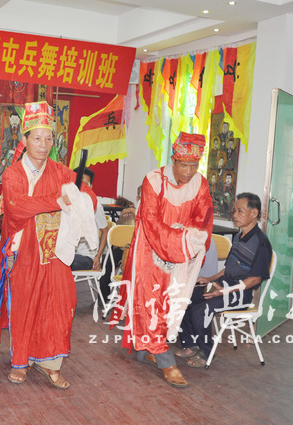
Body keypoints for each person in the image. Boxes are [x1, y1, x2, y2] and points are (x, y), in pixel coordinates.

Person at [0, 101, 97, 390]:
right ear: (24, 140)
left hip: (55, 252)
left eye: (49, 138)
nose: (43, 144)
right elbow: (17, 206)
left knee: (58, 305)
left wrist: (81, 198)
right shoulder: (13, 174)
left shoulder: (61, 172)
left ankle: (51, 363)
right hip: (24, 251)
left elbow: (88, 195)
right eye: (37, 138)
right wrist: (56, 201)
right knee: (25, 305)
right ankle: (21, 361)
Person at [111, 132, 213, 388]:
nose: (189, 172)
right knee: (151, 302)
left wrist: (187, 240)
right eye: (184, 165)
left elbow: (203, 218)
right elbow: (150, 220)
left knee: (172, 302)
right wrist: (178, 240)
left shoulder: (200, 184)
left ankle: (146, 348)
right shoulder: (154, 180)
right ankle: (166, 361)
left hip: (182, 250)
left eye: (194, 165)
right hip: (150, 250)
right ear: (173, 160)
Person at [177, 193, 272, 367]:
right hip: (223, 286)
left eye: (240, 211)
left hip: (241, 294)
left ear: (254, 213)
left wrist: (225, 291)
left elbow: (255, 279)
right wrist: (209, 279)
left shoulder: (261, 242)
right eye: (234, 211)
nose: (234, 215)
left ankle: (207, 352)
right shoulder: (238, 237)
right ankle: (191, 344)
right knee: (183, 299)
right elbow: (228, 269)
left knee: (200, 311)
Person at [70, 167, 108, 272]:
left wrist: (98, 257)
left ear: (91, 187)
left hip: (86, 257)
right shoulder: (67, 203)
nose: (82, 187)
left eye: (85, 184)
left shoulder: (95, 206)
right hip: (68, 252)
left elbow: (105, 231)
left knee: (62, 262)